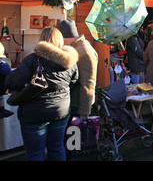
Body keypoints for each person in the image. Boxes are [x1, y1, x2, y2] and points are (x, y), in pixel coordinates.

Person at [5, 27, 78, 161]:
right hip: (60, 111)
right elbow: (73, 82)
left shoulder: (33, 59)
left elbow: (13, 83)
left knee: (35, 154)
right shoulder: (70, 61)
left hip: (35, 114)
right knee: (57, 148)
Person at [57, 19, 98, 121]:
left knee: (75, 136)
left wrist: (84, 110)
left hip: (78, 106)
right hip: (73, 103)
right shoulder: (77, 47)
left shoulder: (84, 52)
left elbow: (88, 83)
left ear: (63, 37)